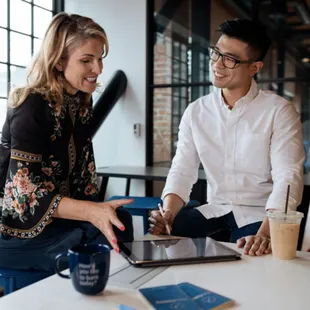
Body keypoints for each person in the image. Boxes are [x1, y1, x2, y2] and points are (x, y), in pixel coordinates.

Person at [149, 19, 304, 256]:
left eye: (229, 59)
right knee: (164, 235)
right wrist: (167, 213)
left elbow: (288, 177)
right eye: (216, 53)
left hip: (259, 214)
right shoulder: (196, 111)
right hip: (215, 210)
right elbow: (182, 170)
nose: (217, 65)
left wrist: (266, 232)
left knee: (248, 252)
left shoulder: (278, 111)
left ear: (254, 68)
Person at [0, 12, 134, 271]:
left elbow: (84, 182)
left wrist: (101, 211)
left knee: (120, 222)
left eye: (99, 59)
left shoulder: (82, 103)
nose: (98, 69)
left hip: (59, 223)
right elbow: (25, 196)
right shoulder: (31, 105)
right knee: (89, 241)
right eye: (87, 60)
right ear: (59, 61)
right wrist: (91, 213)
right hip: (17, 229)